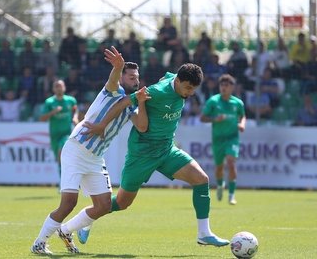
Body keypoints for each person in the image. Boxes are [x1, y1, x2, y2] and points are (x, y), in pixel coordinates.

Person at [77, 63, 230, 249]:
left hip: (166, 149)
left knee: (201, 179)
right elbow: (124, 102)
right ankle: (88, 217)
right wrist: (101, 125)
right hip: (142, 152)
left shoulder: (173, 78)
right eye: (188, 88)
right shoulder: (157, 92)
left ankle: (204, 233)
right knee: (122, 202)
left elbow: (166, 74)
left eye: (194, 89)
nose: (190, 93)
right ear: (179, 81)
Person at [30, 46, 149, 255]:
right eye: (130, 77)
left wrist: (142, 103)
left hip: (95, 157)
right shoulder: (114, 91)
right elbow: (113, 79)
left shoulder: (131, 105)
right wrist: (117, 67)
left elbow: (142, 126)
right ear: (122, 78)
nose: (135, 81)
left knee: (104, 205)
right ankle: (39, 243)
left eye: (136, 77)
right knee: (68, 202)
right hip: (77, 149)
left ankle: (66, 231)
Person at [200, 74, 246, 205]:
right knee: (219, 168)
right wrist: (215, 119)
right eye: (222, 85)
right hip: (218, 139)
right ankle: (220, 185)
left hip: (232, 138)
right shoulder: (213, 101)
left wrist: (242, 124)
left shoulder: (237, 103)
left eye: (226, 85)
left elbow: (243, 116)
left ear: (232, 87)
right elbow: (202, 118)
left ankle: (232, 195)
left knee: (231, 163)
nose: (223, 88)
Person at [39, 79, 79, 177]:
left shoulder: (70, 100)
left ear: (64, 87)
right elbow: (42, 118)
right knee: (59, 159)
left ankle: (65, 182)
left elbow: (75, 110)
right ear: (53, 89)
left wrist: (75, 117)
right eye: (56, 86)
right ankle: (62, 181)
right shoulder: (49, 102)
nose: (59, 88)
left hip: (66, 134)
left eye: (60, 86)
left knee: (63, 153)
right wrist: (53, 112)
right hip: (54, 135)